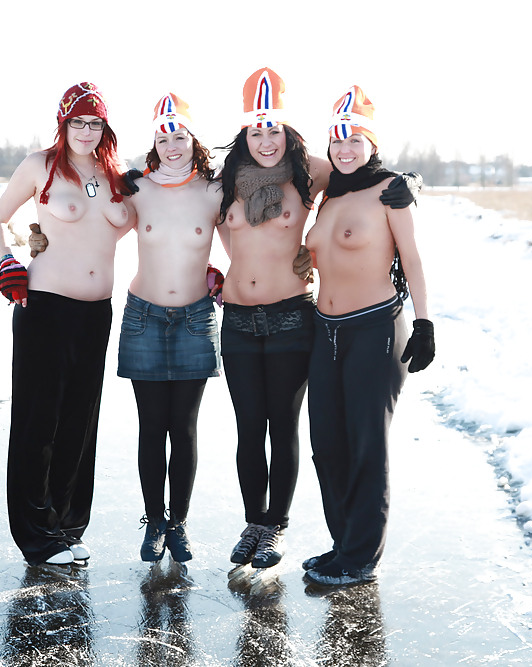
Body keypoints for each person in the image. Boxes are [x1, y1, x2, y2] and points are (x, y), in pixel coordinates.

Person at [217, 68, 420, 570]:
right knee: (284, 435)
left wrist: (411, 181)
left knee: (306, 431)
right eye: (257, 130)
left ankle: (321, 543)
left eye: (275, 130)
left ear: (288, 132)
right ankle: (288, 531)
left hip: (310, 318)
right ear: (245, 133)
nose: (266, 140)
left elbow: (370, 181)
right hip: (262, 321)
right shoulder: (226, 180)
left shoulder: (310, 172)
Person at [30, 94, 229, 564]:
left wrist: (224, 273)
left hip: (197, 318)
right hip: (143, 316)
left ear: (193, 139)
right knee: (151, 426)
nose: (172, 145)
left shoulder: (216, 190)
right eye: (163, 137)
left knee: (183, 427)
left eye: (180, 136)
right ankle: (154, 521)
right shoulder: (135, 187)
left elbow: (243, 235)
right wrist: (40, 240)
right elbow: (93, 223)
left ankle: (178, 523)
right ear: (154, 142)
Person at [0, 81, 135, 567]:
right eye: (78, 122)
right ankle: (35, 535)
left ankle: (69, 526)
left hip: (96, 312)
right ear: (63, 123)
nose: (87, 132)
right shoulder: (40, 166)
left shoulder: (116, 175)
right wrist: (6, 262)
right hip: (45, 308)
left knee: (80, 420)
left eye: (95, 123)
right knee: (38, 422)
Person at [301, 85, 434, 587]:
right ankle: (343, 543)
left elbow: (414, 259)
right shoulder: (329, 192)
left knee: (366, 445)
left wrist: (424, 323)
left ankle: (361, 556)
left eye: (355, 139)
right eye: (338, 140)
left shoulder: (391, 190)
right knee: (327, 443)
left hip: (374, 329)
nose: (345, 149)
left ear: (371, 144)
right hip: (325, 329)